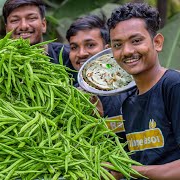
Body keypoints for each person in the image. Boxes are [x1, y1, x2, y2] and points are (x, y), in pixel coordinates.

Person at [107, 3, 180, 179]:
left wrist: (128, 171)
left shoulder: (173, 86)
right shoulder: (129, 102)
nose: (127, 51)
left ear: (157, 42)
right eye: (117, 45)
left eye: (136, 41)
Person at [66, 15, 129, 138]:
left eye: (90, 45)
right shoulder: (70, 96)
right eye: (74, 47)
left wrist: (99, 123)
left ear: (107, 50)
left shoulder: (129, 88)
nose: (81, 53)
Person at [2, 0, 75, 76]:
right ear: (7, 29)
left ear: (43, 25)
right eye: (15, 20)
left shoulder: (70, 56)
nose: (24, 26)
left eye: (31, 18)